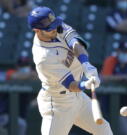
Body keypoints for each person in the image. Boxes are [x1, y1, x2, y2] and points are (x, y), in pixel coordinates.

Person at [27, 6, 113, 135]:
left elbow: (75, 43)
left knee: (104, 130)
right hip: (58, 103)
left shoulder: (56, 26)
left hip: (78, 98)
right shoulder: (43, 57)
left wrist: (86, 64)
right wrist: (85, 84)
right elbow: (71, 85)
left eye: (54, 24)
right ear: (37, 31)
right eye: (50, 28)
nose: (55, 28)